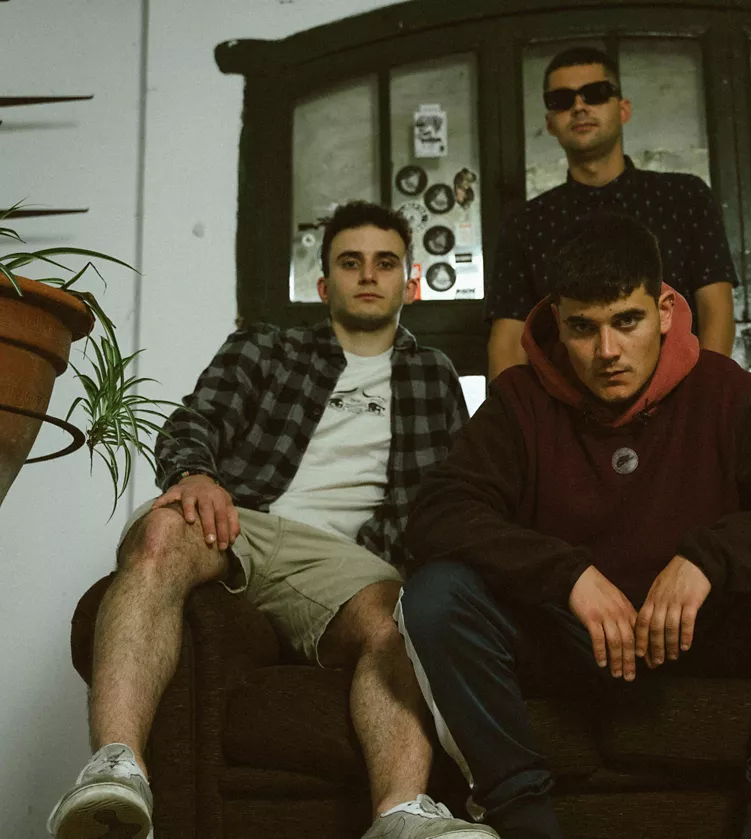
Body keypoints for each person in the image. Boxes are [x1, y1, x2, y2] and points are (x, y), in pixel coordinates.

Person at [397, 212, 751, 839]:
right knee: (433, 595)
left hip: (704, 630)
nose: (607, 352)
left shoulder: (725, 390)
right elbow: (437, 514)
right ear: (557, 322)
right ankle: (523, 823)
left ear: (666, 312)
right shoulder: (519, 401)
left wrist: (707, 558)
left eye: (627, 321)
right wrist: (566, 574)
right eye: (583, 328)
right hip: (568, 639)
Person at [48, 201, 496, 839]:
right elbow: (196, 420)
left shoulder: (433, 375)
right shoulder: (267, 347)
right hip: (240, 523)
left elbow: (452, 492)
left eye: (385, 262)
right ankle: (115, 772)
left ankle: (400, 815)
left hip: (346, 565)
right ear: (324, 284)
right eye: (351, 262)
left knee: (398, 618)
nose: (369, 274)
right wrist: (193, 474)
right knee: (161, 532)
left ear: (409, 282)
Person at [485, 46, 738, 379]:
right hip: (561, 406)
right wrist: (511, 411)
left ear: (623, 109)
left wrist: (704, 396)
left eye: (596, 93)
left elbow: (716, 310)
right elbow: (508, 342)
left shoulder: (684, 198)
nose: (579, 106)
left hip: (681, 397)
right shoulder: (526, 224)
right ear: (549, 122)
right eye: (562, 100)